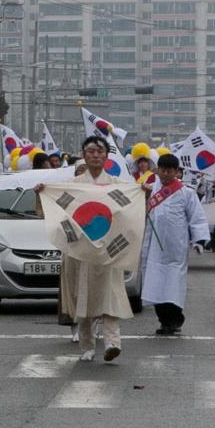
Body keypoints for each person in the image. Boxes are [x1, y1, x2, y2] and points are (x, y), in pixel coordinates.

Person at [38, 136, 131, 362]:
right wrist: (40, 194)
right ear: (83, 154)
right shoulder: (72, 186)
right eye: (91, 150)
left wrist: (144, 194)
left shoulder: (116, 184)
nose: (95, 154)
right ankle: (87, 345)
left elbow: (129, 211)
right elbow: (56, 212)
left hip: (107, 250)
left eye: (100, 151)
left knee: (110, 296)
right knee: (83, 297)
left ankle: (112, 342)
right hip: (79, 250)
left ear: (107, 156)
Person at [142, 153, 210, 335]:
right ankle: (164, 320)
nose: (166, 174)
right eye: (163, 170)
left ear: (176, 171)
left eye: (170, 170)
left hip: (175, 248)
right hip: (154, 248)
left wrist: (200, 239)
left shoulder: (186, 193)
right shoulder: (149, 189)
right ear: (157, 170)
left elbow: (197, 217)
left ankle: (175, 319)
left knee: (172, 284)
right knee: (156, 284)